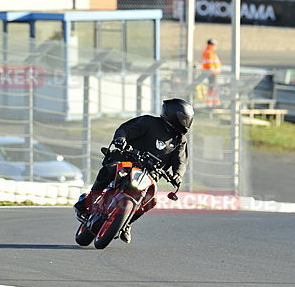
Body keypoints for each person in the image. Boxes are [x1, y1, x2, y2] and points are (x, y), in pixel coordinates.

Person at [73, 98, 194, 243]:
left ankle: (127, 223)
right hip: (128, 160)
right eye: (184, 119)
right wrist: (121, 139)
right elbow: (125, 130)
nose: (185, 122)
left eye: (187, 120)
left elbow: (181, 162)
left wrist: (178, 175)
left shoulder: (180, 140)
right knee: (111, 169)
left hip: (150, 174)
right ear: (174, 115)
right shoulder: (149, 122)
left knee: (152, 200)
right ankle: (87, 201)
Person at [201, 39, 221, 107]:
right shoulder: (209, 52)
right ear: (212, 44)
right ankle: (212, 103)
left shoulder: (210, 51)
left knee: (213, 87)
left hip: (211, 73)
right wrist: (213, 71)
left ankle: (213, 102)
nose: (215, 46)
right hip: (211, 73)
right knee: (212, 87)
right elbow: (210, 63)